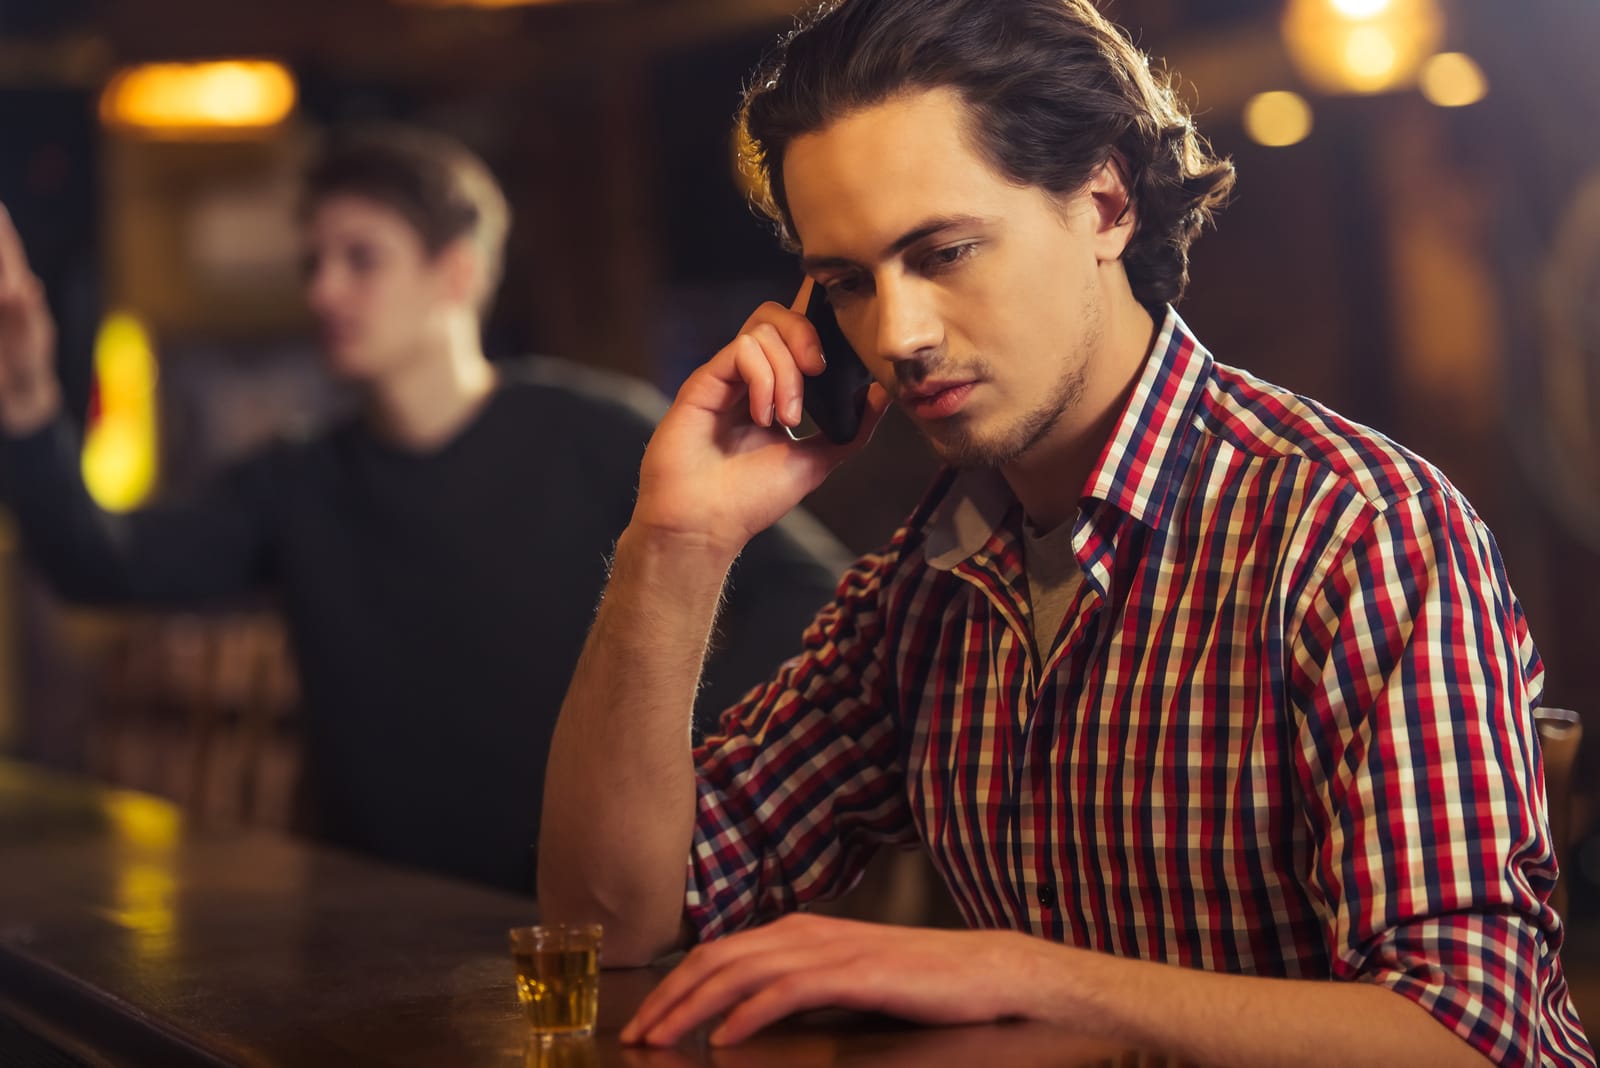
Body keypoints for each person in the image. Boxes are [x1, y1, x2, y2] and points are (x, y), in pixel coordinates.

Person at [536, 1, 1595, 1064]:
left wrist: (1018, 974)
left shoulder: (1354, 532)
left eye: (943, 251)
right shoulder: (922, 586)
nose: (896, 335)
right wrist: (675, 542)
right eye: (850, 283)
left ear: (1104, 201)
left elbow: (1476, 1036)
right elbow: (616, 920)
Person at [0, 125, 848, 894]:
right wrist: (29, 394)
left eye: (360, 258)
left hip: (585, 917)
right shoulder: (299, 478)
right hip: (366, 921)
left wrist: (673, 749)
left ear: (457, 272)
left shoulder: (594, 430)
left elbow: (814, 590)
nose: (324, 291)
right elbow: (98, 565)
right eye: (313, 263)